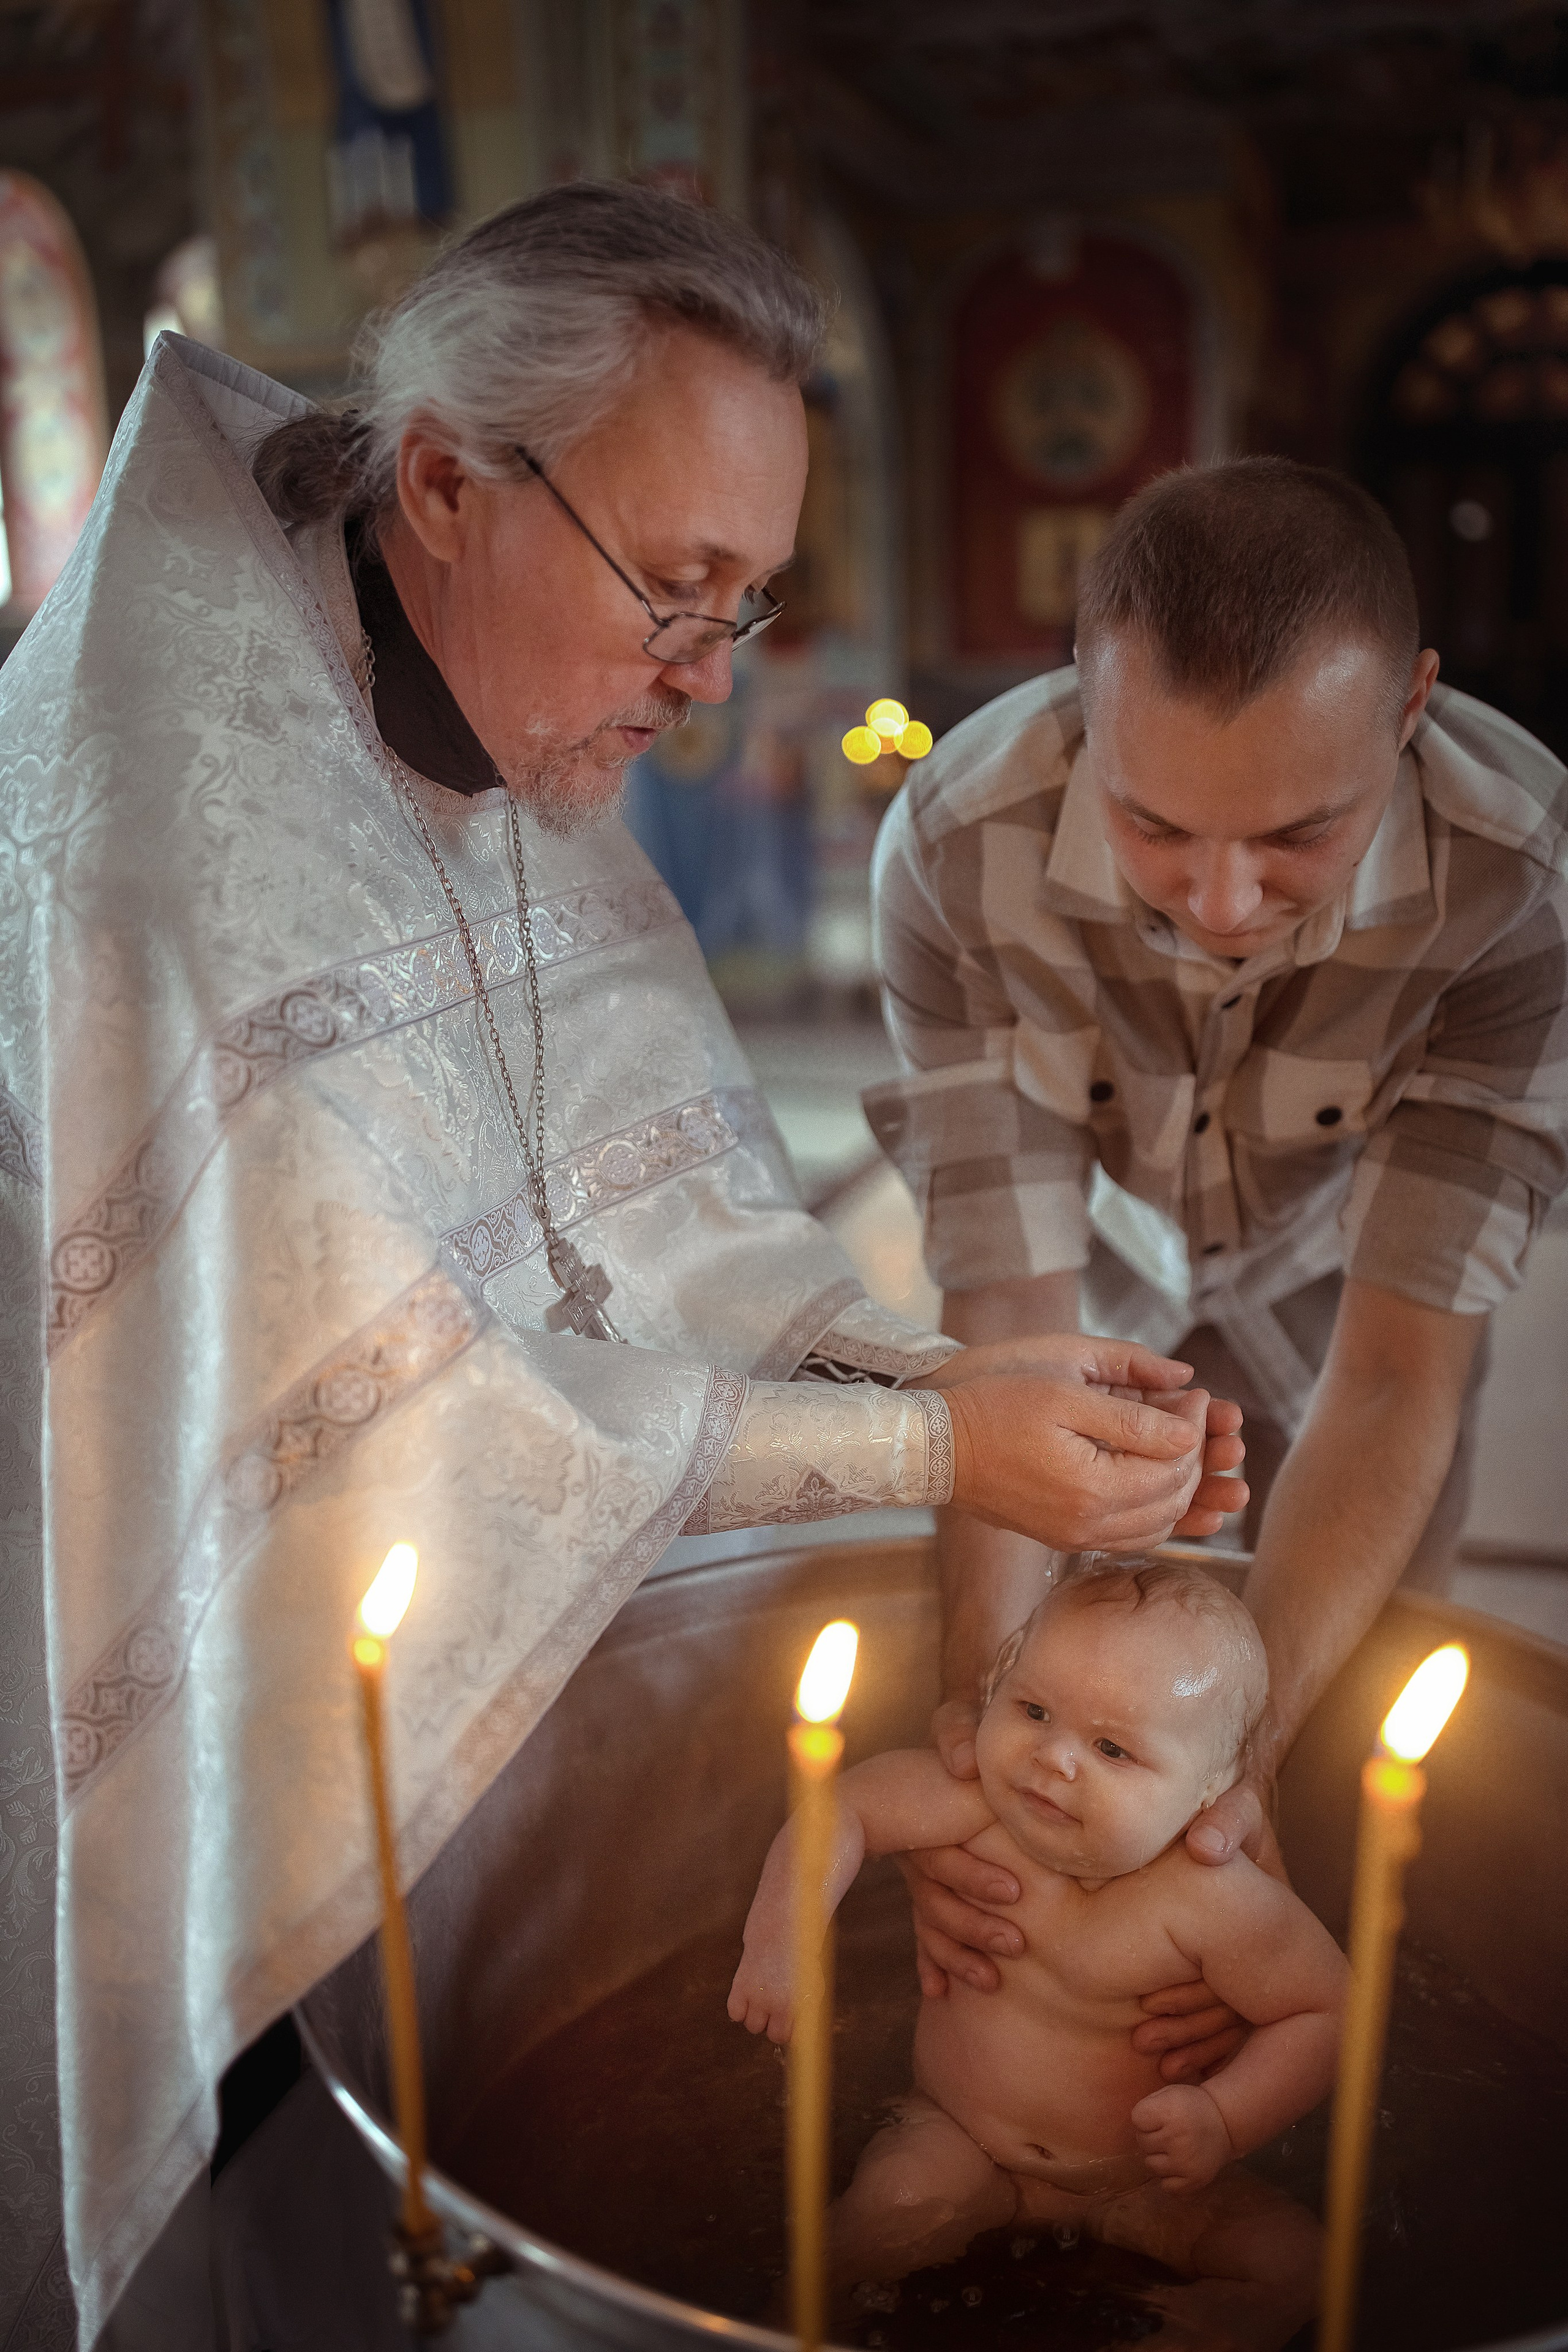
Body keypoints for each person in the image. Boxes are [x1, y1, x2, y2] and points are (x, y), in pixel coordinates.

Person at [0, 185, 1244, 2348]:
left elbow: (649, 1228)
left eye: (747, 607)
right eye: (671, 591)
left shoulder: (498, 745)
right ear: (454, 484)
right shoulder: (174, 840)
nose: (700, 680)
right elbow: (390, 1426)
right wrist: (948, 1467)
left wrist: (939, 1388)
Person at [865, 457, 1568, 2063]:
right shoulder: (963, 840)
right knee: (1057, 1666)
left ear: (1411, 709)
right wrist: (985, 1740)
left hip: (1356, 1274)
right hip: (1103, 1266)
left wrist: (1244, 1775)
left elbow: (1399, 1377)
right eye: (1155, 828)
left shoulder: (1519, 879)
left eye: (1299, 838)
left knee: (1352, 1715)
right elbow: (1011, 1315)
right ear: (1081, 706)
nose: (1221, 902)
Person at [729, 1559, 1346, 2351]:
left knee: (1303, 2261)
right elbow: (845, 1808)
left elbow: (1329, 2007)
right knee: (887, 2211)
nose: (1054, 1759)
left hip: (1142, 2180)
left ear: (1212, 1789)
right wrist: (784, 1937)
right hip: (957, 2136)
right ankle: (789, 2327)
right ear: (997, 1686)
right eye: (1033, 1709)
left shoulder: (1210, 1899)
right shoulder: (977, 1810)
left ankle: (1229, 2324)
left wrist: (1226, 2118)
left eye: (1114, 1749)